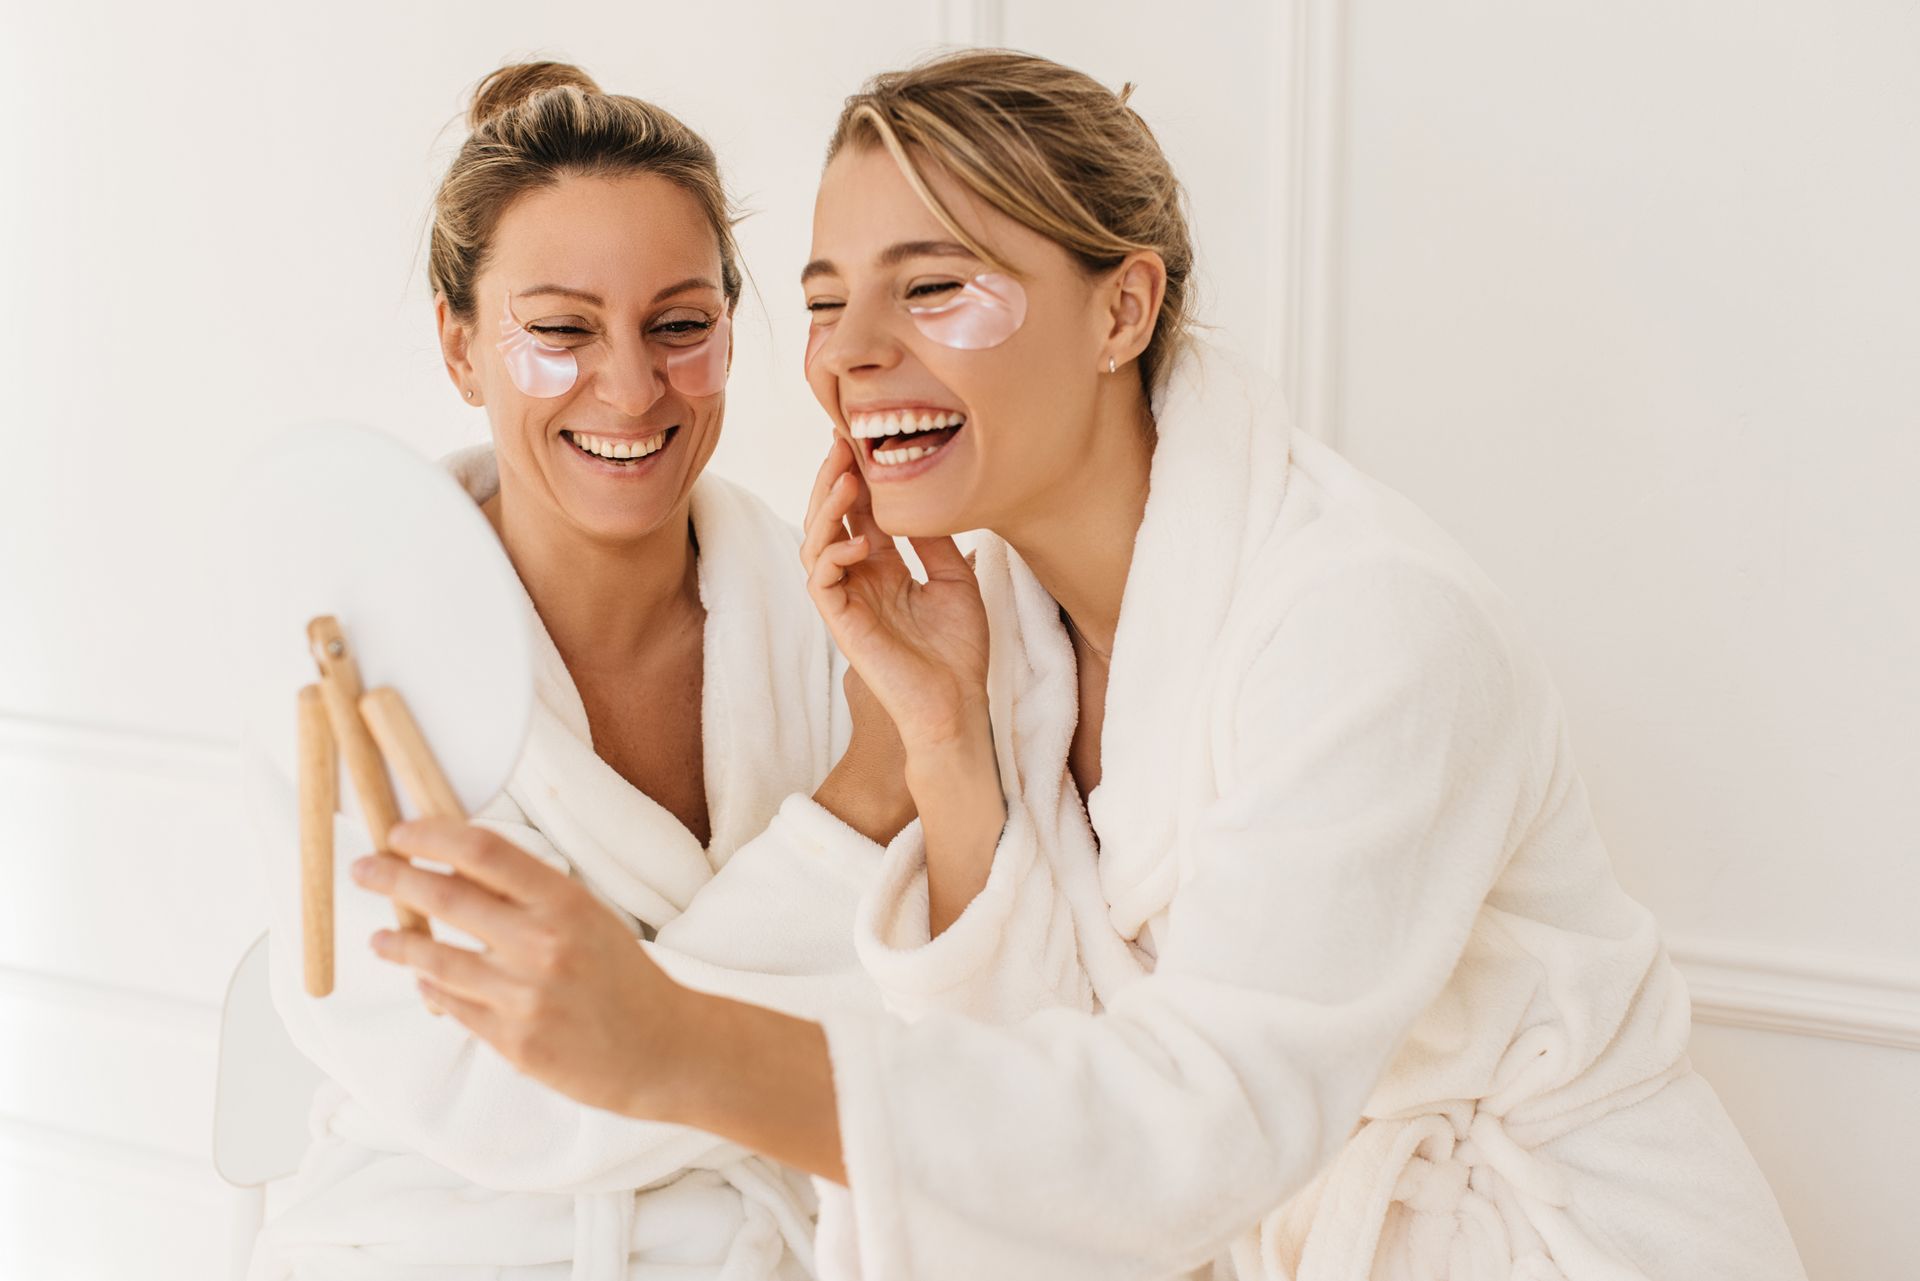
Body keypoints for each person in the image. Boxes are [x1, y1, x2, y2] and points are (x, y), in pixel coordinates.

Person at [354, 51, 1808, 1280]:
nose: (849, 358)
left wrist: (680, 1040)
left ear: (1121, 311)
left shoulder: (1370, 628)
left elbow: (1197, 1122)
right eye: (824, 299)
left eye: (932, 288)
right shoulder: (999, 623)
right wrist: (939, 748)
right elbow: (1034, 1081)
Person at [247, 61, 911, 1281]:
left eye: (680, 325)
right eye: (559, 330)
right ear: (460, 345)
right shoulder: (351, 686)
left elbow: (933, 1027)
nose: (629, 385)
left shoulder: (833, 617)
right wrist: (861, 810)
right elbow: (505, 1108)